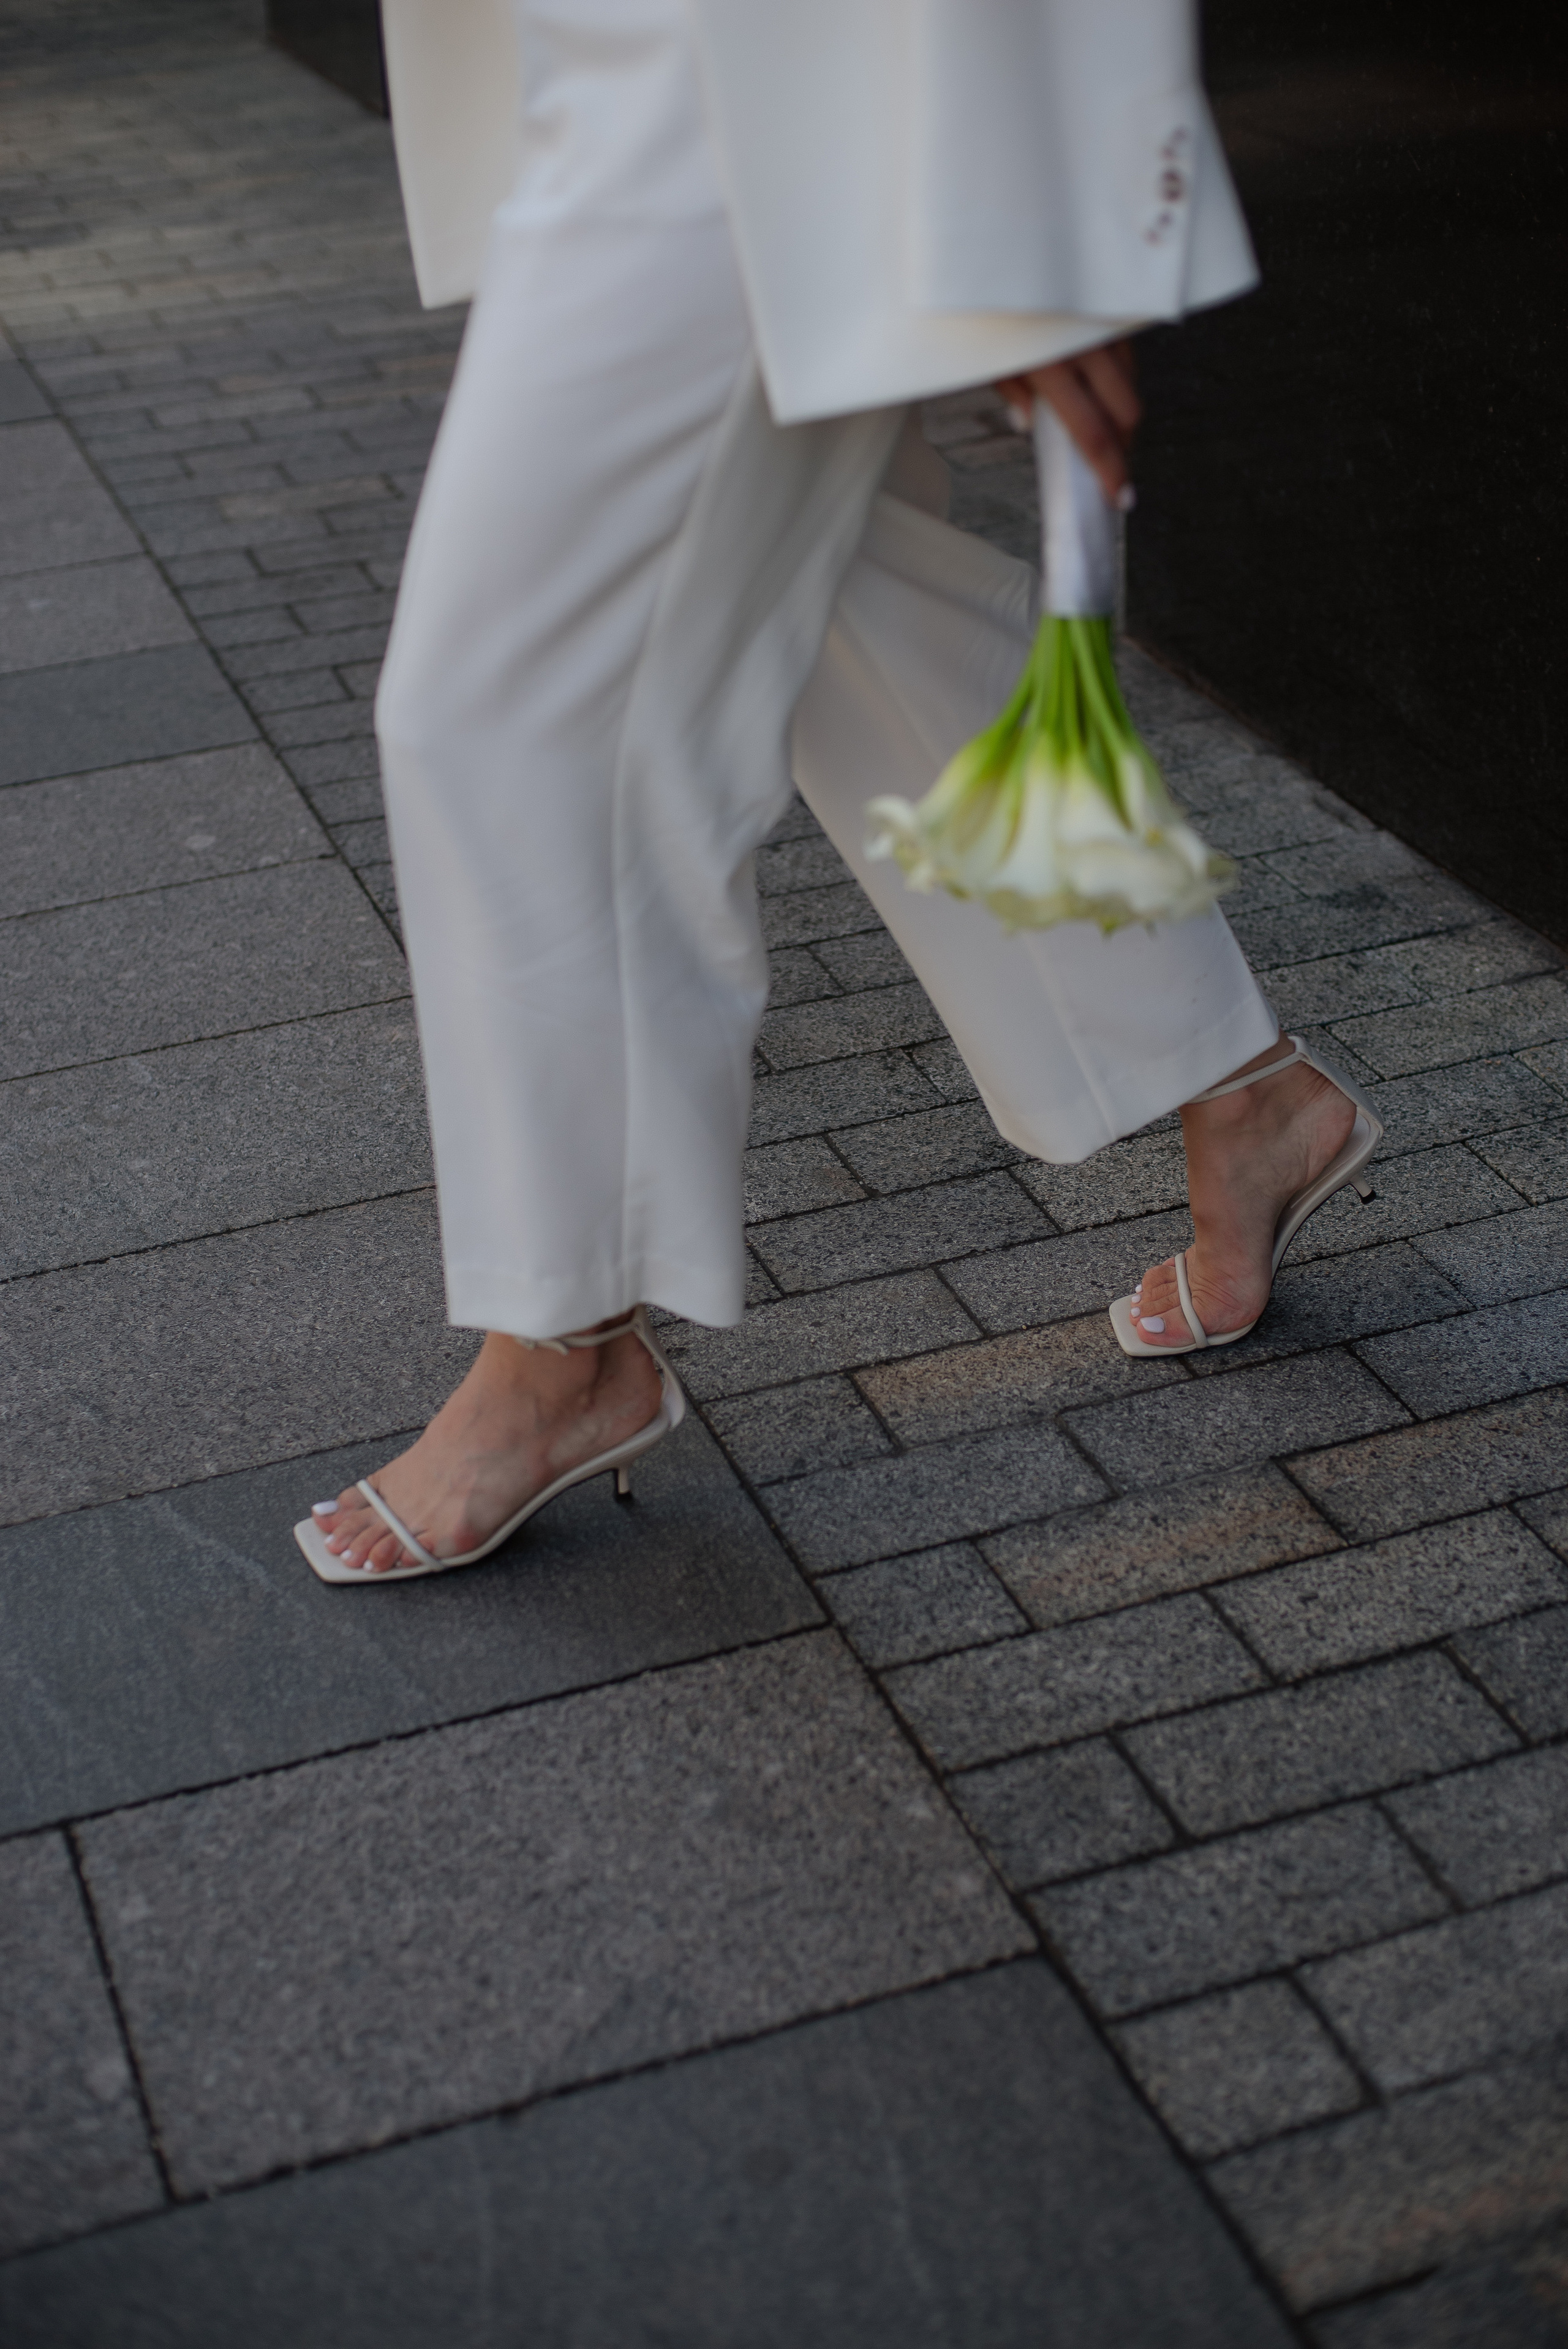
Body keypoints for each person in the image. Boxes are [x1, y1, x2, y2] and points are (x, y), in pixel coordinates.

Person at [296, 0, 1379, 1583]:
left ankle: (564, 1345)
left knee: (500, 703)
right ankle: (1240, 1084)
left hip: (744, 69)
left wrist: (1058, 187)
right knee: (835, 607)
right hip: (628, 58)